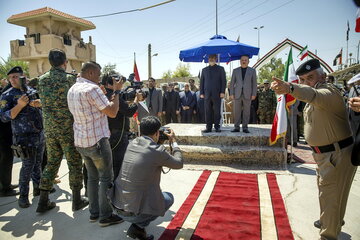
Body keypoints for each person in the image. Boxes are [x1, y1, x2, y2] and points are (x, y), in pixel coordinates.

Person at [271, 59, 357, 240]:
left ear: (323, 76)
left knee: (331, 196)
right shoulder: (316, 92)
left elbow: (313, 95)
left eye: (310, 77)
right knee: (330, 195)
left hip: (335, 154)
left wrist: (291, 88)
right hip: (327, 155)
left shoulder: (329, 92)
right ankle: (331, 222)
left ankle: (328, 234)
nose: (306, 82)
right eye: (302, 79)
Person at [67, 61, 123, 227]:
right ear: (90, 73)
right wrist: (117, 92)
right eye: (98, 74)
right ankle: (105, 216)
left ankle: (94, 213)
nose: (99, 78)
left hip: (81, 142)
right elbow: (112, 112)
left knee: (92, 178)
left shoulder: (72, 89)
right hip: (97, 141)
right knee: (106, 177)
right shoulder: (92, 89)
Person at [108, 116, 183, 240]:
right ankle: (138, 227)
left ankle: (137, 224)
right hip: (132, 212)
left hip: (117, 206)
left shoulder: (132, 144)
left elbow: (147, 152)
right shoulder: (157, 151)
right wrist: (174, 142)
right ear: (157, 133)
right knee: (169, 198)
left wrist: (157, 143)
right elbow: (178, 163)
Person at [36, 49, 88, 213]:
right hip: (67, 129)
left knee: (52, 162)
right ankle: (77, 200)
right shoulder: (69, 80)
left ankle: (43, 201)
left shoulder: (42, 80)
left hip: (50, 129)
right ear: (64, 62)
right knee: (74, 162)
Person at [0, 66, 44, 208]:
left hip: (38, 133)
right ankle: (23, 196)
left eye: (15, 77)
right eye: (10, 77)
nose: (12, 80)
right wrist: (20, 105)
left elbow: (41, 106)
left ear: (22, 77)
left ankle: (38, 189)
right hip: (23, 137)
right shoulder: (7, 95)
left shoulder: (31, 91)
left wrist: (39, 104)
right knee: (27, 166)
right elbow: (4, 117)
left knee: (38, 163)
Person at [101, 74, 139, 179]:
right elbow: (129, 111)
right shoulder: (113, 95)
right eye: (117, 82)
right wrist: (136, 101)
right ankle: (115, 189)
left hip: (106, 133)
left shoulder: (101, 94)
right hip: (117, 135)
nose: (120, 85)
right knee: (118, 163)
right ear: (110, 83)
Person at [230, 55, 257, 133]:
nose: (244, 61)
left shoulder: (252, 71)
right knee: (236, 111)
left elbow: (254, 84)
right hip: (237, 94)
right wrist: (231, 93)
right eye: (242, 60)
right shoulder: (235, 70)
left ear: (248, 61)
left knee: (247, 111)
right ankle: (236, 127)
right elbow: (232, 83)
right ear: (240, 61)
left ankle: (245, 127)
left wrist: (254, 94)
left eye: (245, 60)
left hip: (248, 94)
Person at [200, 54, 226, 132]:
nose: (211, 59)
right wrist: (201, 92)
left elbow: (223, 81)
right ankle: (208, 127)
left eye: (213, 58)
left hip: (217, 94)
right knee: (208, 111)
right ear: (208, 59)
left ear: (216, 59)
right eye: (210, 58)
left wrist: (222, 91)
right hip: (207, 94)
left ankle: (217, 127)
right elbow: (202, 82)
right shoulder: (204, 70)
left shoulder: (221, 69)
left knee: (217, 111)